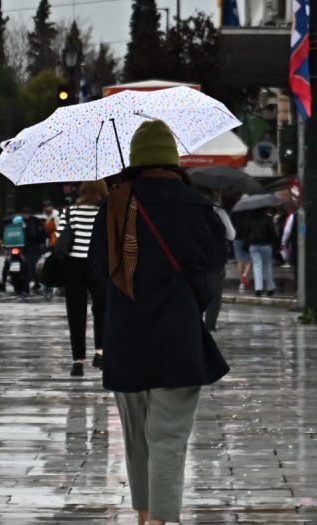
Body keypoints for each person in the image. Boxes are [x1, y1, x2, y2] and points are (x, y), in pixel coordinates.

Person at [90, 120, 229, 525]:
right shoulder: (199, 207)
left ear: (135, 161)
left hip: (126, 339)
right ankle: (160, 521)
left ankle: (144, 516)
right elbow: (213, 271)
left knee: (136, 441)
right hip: (177, 338)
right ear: (173, 159)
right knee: (168, 439)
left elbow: (99, 269)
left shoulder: (114, 204)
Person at [61, 181, 107, 377]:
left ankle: (77, 362)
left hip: (73, 265)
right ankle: (100, 353)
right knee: (102, 309)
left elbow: (60, 235)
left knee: (75, 313)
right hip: (98, 264)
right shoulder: (105, 211)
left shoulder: (70, 211)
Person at [199, 189, 235, 332]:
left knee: (197, 294)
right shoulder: (219, 212)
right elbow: (231, 235)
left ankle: (196, 325)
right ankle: (210, 327)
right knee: (214, 296)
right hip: (216, 260)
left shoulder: (192, 211)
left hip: (196, 258)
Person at [247, 207, 278, 297]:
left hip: (253, 245)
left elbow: (247, 232)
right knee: (267, 266)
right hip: (266, 245)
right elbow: (272, 233)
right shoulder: (268, 219)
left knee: (257, 266)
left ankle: (258, 289)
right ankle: (270, 288)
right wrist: (276, 245)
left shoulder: (251, 219)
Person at [21, 208, 47, 291]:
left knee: (31, 265)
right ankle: (36, 283)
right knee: (34, 265)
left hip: (32, 247)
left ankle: (33, 282)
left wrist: (26, 230)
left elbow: (32, 234)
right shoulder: (35, 221)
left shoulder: (30, 222)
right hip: (36, 247)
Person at [230, 210, 252, 293]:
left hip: (236, 238)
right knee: (250, 259)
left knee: (240, 260)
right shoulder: (250, 212)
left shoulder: (235, 212)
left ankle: (241, 284)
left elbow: (230, 225)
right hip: (248, 238)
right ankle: (245, 274)